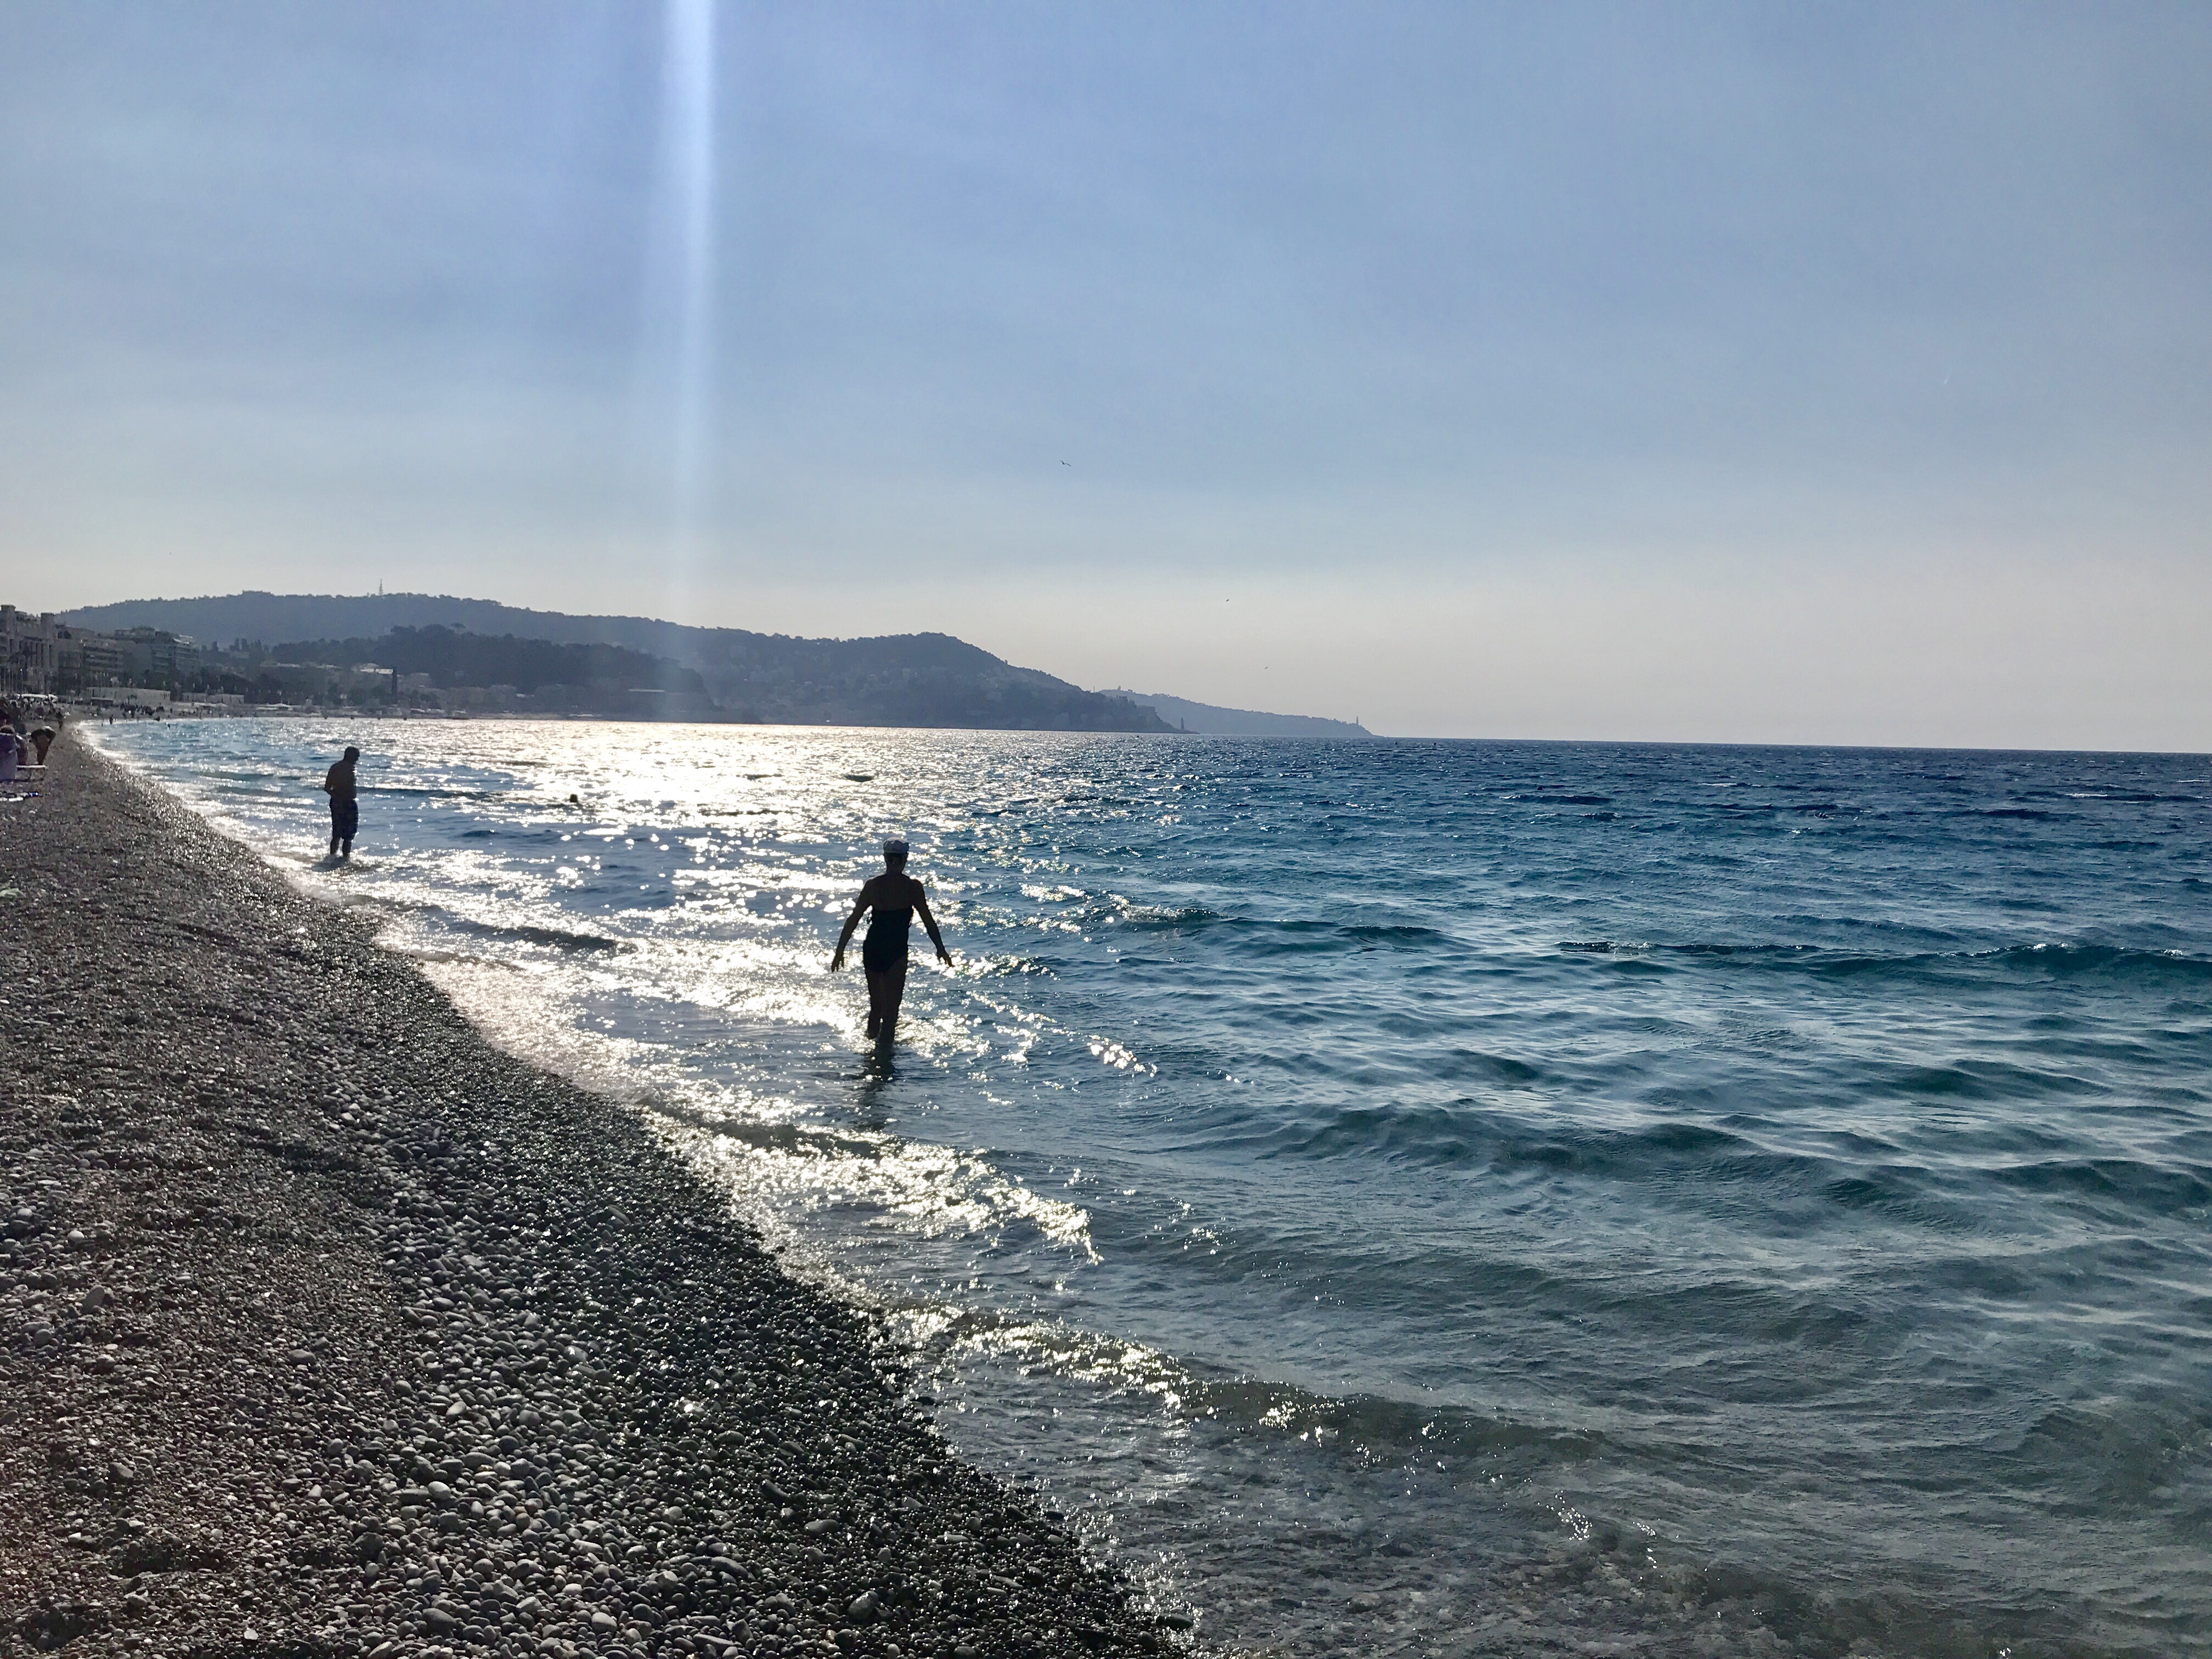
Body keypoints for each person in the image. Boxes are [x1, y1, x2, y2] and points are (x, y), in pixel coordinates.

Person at [831, 838, 951, 1045]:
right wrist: (940, 949)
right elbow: (928, 921)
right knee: (891, 1011)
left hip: (873, 948)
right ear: (905, 859)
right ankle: (884, 1059)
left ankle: (869, 1052)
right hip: (896, 951)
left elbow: (853, 919)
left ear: (886, 859)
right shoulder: (912, 888)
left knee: (876, 1005)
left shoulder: (873, 886)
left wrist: (840, 950)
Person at [321, 745, 361, 860]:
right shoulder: (340, 768)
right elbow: (328, 788)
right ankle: (341, 858)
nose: (357, 760)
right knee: (344, 834)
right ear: (349, 756)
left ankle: (338, 858)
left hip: (342, 802)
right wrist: (340, 797)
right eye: (356, 757)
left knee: (341, 833)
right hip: (342, 803)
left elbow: (327, 788)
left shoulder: (338, 767)